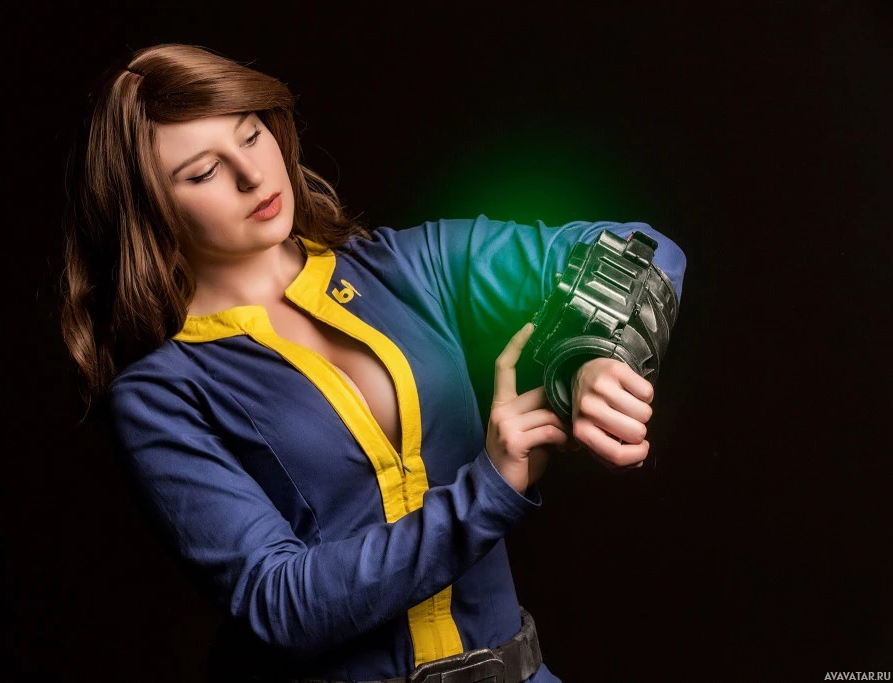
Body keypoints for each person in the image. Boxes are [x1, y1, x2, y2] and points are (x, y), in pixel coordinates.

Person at [59, 42, 686, 683]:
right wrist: (489, 490)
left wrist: (588, 351)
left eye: (251, 135)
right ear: (147, 206)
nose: (251, 175)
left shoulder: (414, 268)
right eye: (203, 173)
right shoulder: (161, 393)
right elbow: (281, 604)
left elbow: (638, 250)